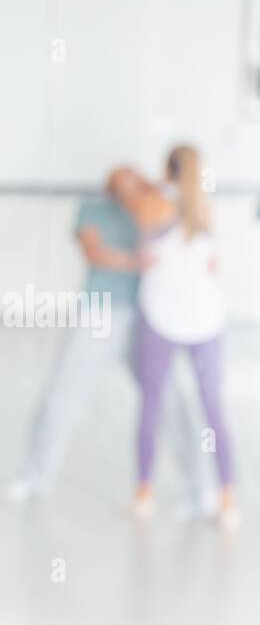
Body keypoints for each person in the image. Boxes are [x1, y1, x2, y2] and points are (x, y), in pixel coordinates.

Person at [10, 167, 212, 512]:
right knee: (62, 393)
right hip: (100, 312)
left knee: (170, 398)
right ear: (110, 186)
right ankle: (35, 476)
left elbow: (188, 229)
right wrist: (137, 261)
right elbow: (94, 252)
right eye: (122, 180)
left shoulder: (154, 207)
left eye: (135, 179)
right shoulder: (93, 209)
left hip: (146, 317)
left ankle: (201, 489)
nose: (128, 185)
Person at [124, 145, 237, 528]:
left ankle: (144, 492)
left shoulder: (153, 202)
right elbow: (213, 265)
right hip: (207, 319)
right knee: (213, 407)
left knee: (152, 405)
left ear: (165, 168)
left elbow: (139, 232)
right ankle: (228, 498)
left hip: (163, 319)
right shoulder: (205, 209)